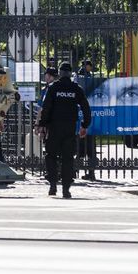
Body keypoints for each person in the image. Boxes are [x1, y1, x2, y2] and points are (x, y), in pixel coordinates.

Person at [36, 61, 91, 198]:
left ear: (60, 73)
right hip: (69, 128)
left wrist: (42, 124)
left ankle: (53, 185)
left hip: (54, 127)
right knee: (68, 158)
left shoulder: (54, 88)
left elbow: (46, 107)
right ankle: (66, 188)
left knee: (51, 156)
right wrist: (85, 125)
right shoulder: (76, 88)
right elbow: (86, 108)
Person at [75, 60, 98, 181]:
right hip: (87, 120)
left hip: (82, 120)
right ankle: (90, 172)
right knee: (88, 149)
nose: (90, 68)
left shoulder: (79, 78)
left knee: (81, 148)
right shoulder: (83, 77)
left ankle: (76, 171)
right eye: (89, 66)